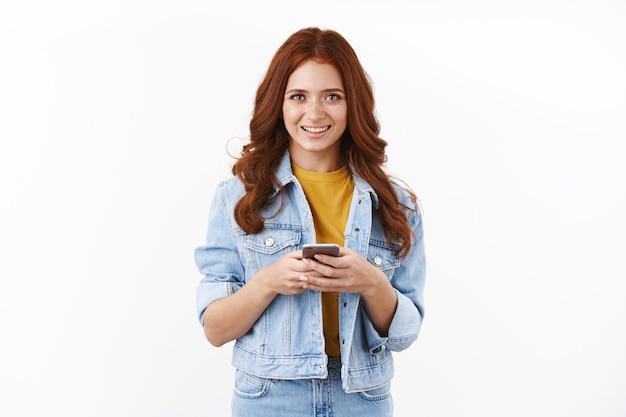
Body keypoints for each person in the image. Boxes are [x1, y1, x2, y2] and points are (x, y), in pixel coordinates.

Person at [195, 27, 426, 417]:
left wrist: (371, 282)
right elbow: (215, 329)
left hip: (362, 399)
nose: (315, 113)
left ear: (353, 104)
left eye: (332, 96)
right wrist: (268, 282)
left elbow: (405, 334)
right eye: (298, 96)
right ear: (279, 104)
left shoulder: (397, 206)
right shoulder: (237, 198)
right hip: (270, 397)